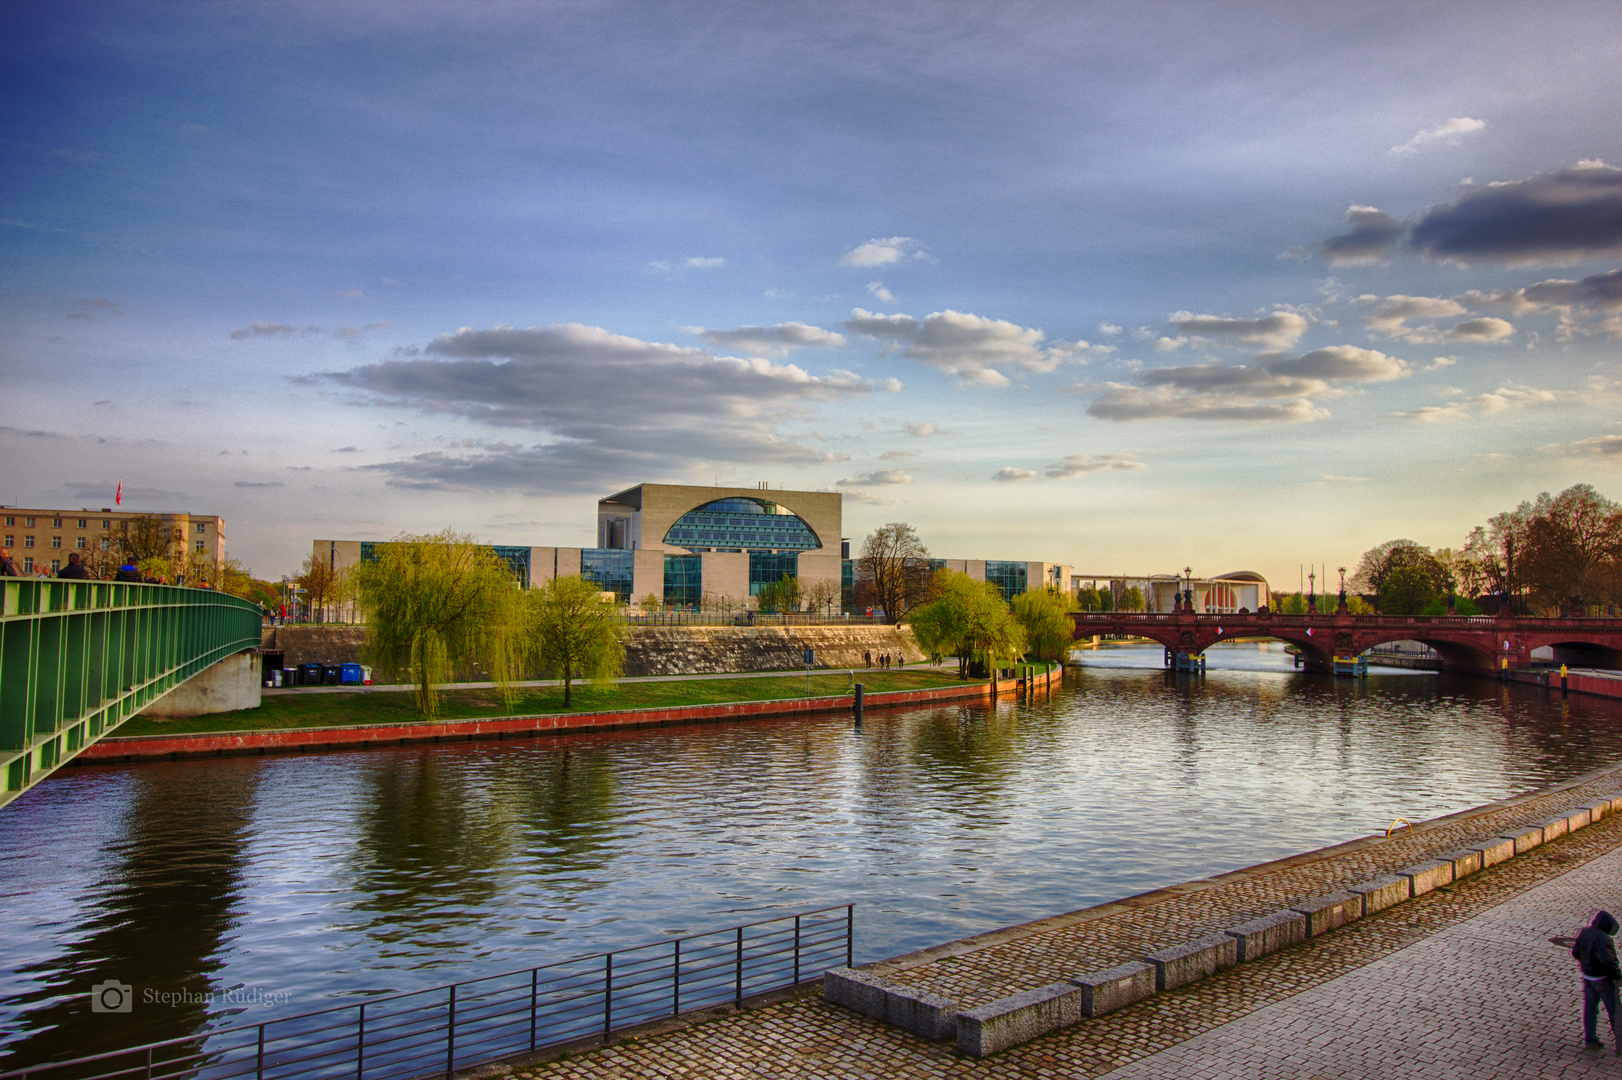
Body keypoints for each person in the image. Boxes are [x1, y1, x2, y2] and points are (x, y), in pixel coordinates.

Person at [1573, 910, 1620, 1052]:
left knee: (1590, 1009)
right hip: (1603, 980)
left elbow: (1575, 951)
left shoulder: (1585, 932)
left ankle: (1591, 1040)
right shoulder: (1603, 939)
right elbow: (1608, 962)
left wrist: (1586, 963)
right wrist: (1618, 976)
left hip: (1588, 978)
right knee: (1616, 1011)